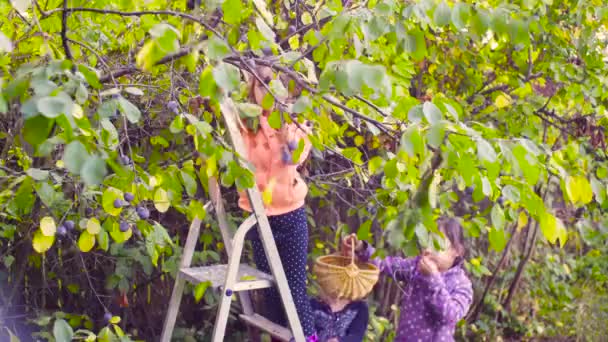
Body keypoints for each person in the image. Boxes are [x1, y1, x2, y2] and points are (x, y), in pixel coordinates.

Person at [238, 64, 317, 341]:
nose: (268, 90)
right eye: (261, 84)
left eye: (274, 83)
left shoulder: (295, 124)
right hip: (259, 218)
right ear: (252, 90)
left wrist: (286, 133)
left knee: (294, 288)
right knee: (270, 289)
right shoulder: (246, 125)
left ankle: (307, 338)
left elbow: (293, 157)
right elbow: (240, 154)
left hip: (290, 217)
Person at [341, 218, 473, 342]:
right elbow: (386, 265)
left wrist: (433, 279)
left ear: (457, 251)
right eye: (427, 241)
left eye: (438, 243)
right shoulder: (416, 266)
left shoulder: (461, 284)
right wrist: (361, 248)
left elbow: (450, 316)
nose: (429, 249)